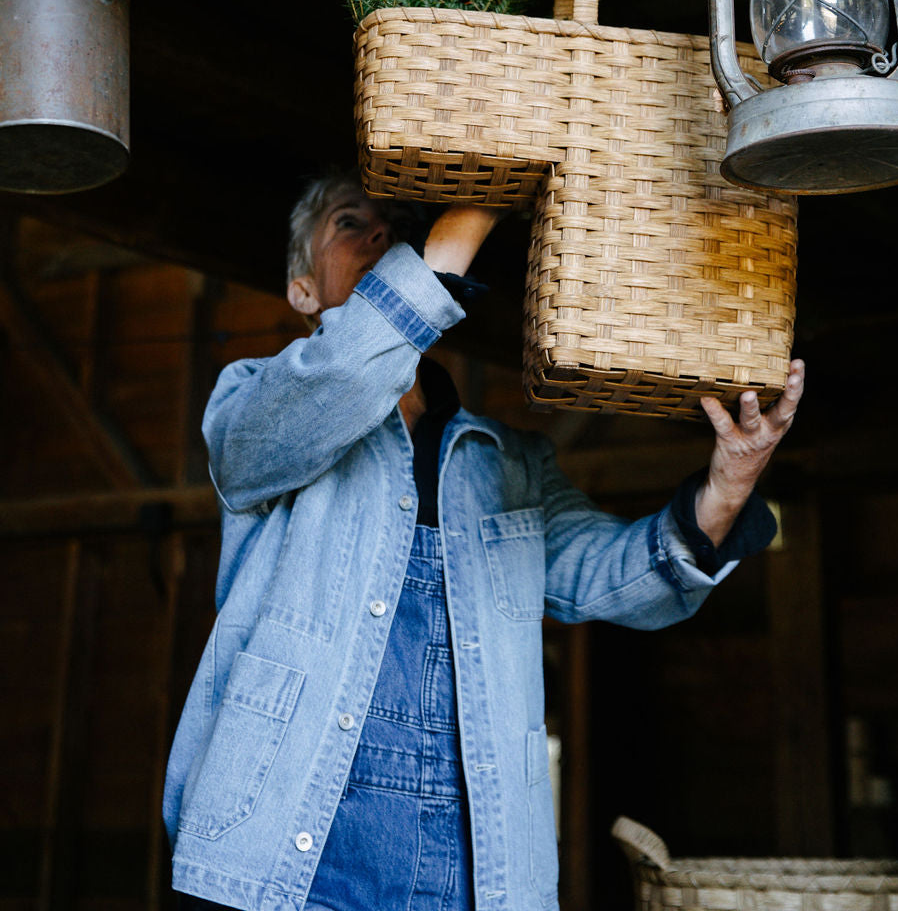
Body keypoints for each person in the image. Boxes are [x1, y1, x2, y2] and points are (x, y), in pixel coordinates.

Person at [165, 173, 804, 911]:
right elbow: (335, 376)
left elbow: (619, 580)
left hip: (468, 871)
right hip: (280, 848)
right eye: (350, 224)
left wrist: (729, 485)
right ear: (302, 290)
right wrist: (468, 220)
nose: (382, 235)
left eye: (399, 225)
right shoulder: (251, 401)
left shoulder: (510, 464)